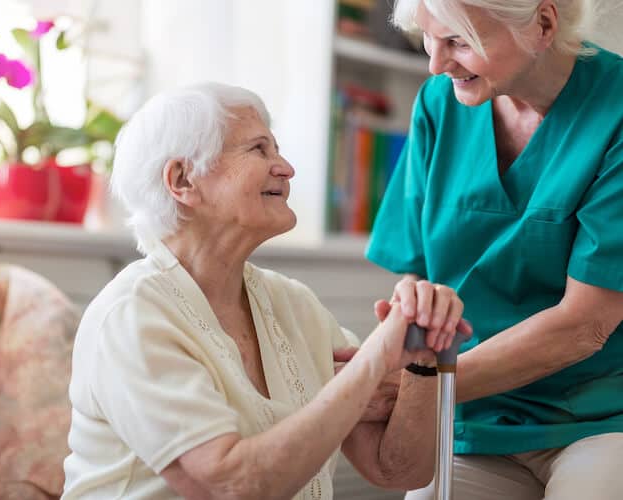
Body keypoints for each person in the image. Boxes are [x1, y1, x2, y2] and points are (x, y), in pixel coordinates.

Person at [61, 82, 471, 499]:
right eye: (259, 150)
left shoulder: (293, 304)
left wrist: (422, 357)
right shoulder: (132, 314)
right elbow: (229, 486)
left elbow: (398, 470)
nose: (287, 168)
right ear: (183, 179)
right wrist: (375, 360)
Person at [366, 0, 623, 498]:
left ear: (543, 25)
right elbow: (415, 273)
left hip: (599, 415)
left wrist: (417, 385)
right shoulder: (438, 104)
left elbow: (585, 325)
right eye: (429, 38)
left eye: (459, 42)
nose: (435, 65)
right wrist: (413, 315)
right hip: (472, 417)